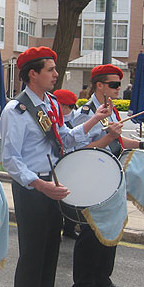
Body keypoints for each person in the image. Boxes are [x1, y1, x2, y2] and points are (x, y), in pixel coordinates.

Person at [0, 46, 113, 287]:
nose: (56, 74)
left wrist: (93, 120)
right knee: (32, 256)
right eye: (50, 69)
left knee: (51, 250)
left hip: (54, 185)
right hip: (33, 188)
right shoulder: (17, 110)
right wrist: (40, 184)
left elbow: (63, 137)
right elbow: (10, 159)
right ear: (33, 73)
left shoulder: (49, 103)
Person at [70, 64, 144, 287]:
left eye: (119, 84)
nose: (118, 88)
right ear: (99, 85)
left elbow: (118, 139)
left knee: (112, 225)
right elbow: (77, 150)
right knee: (90, 233)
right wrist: (108, 138)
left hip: (113, 173)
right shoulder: (86, 113)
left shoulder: (111, 111)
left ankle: (101, 278)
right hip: (93, 176)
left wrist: (143, 142)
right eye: (114, 84)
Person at [52, 88, 80, 240]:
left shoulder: (77, 116)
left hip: (74, 161)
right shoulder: (55, 118)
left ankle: (69, 227)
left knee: (71, 196)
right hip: (59, 162)